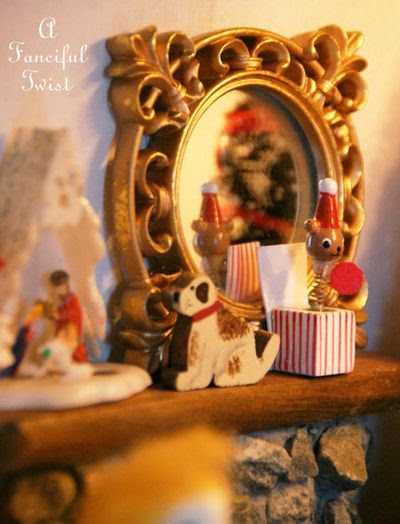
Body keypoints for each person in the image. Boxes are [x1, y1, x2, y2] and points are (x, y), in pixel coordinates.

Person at [47, 270, 88, 362]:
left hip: (71, 343)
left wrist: (58, 316)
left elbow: (73, 315)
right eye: (56, 285)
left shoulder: (72, 299)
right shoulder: (62, 303)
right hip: (66, 343)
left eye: (61, 284)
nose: (58, 288)